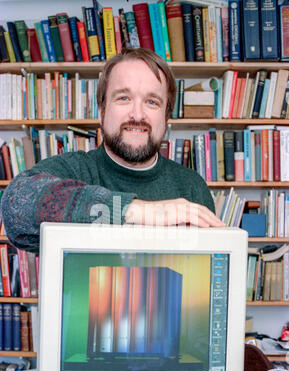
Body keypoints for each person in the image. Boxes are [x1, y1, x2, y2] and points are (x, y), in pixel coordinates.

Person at [1, 47, 224, 252]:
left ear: (165, 118)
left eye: (152, 102)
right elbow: (16, 204)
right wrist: (139, 211)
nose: (137, 115)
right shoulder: (74, 170)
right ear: (101, 112)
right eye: (123, 98)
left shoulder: (191, 187)